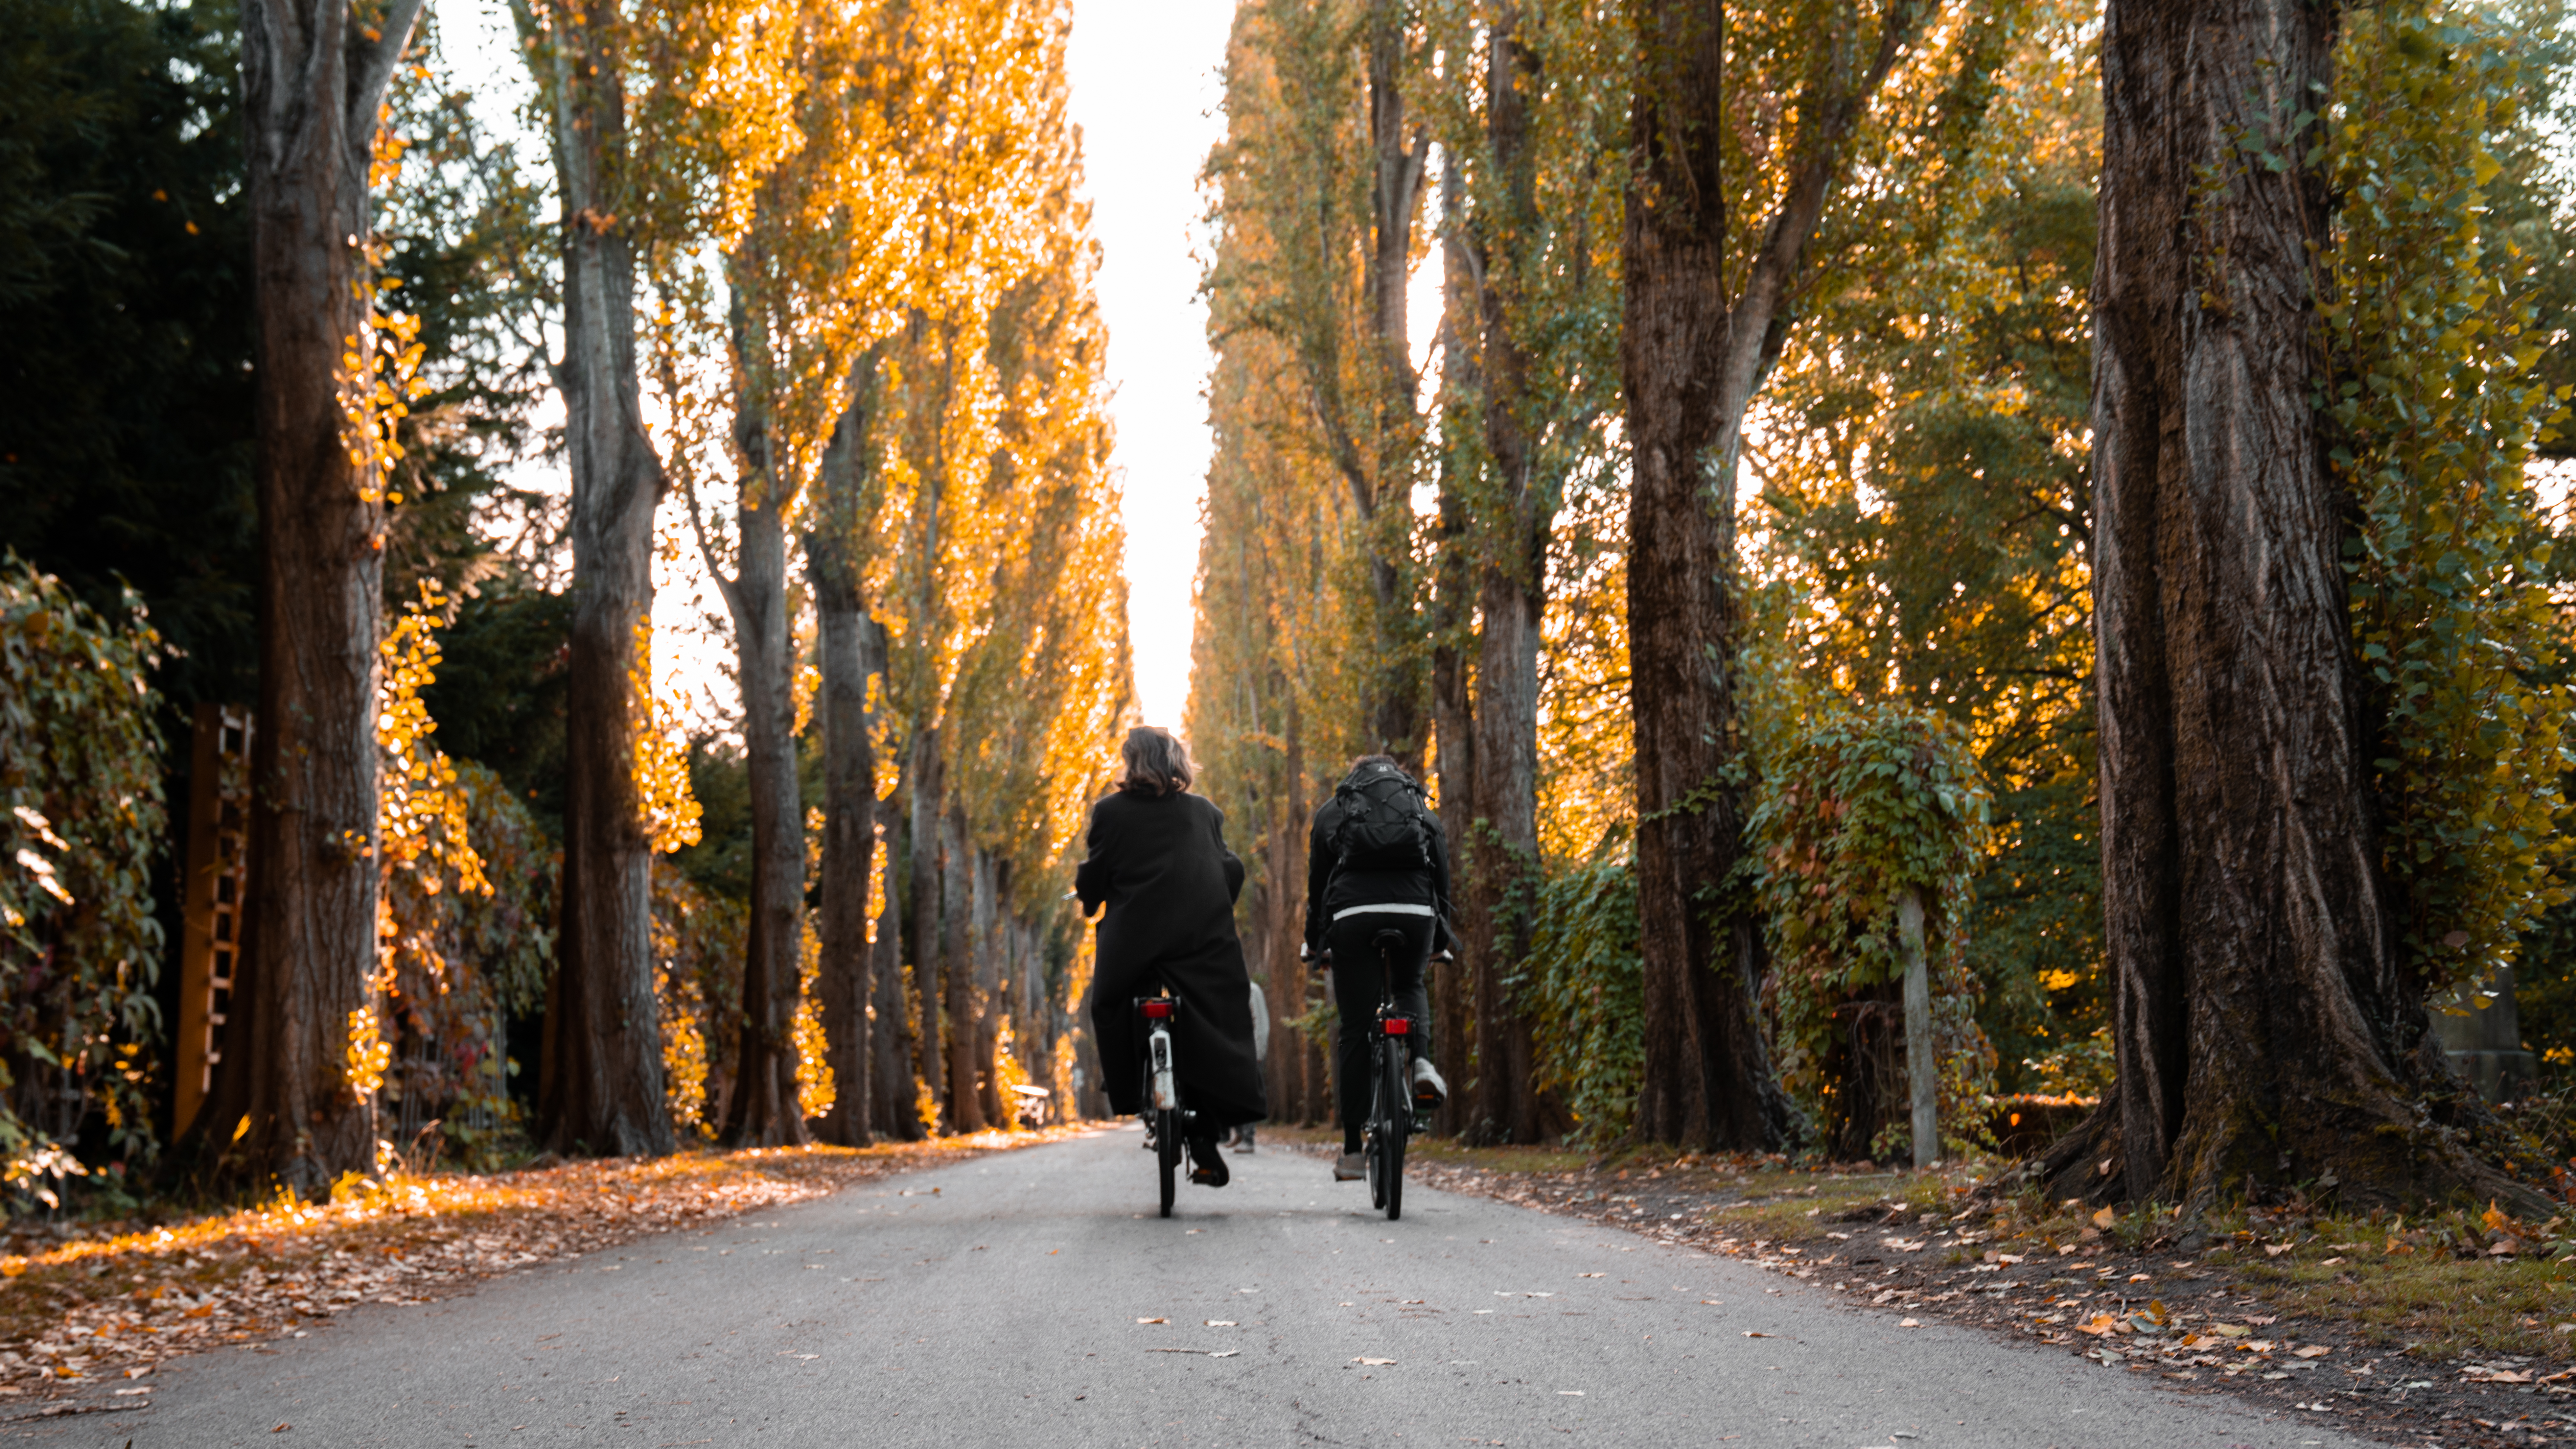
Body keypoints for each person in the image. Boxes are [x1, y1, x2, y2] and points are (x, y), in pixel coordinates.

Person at [1076, 726, 1267, 1187]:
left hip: (1133, 940)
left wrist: (1089, 900)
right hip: (1200, 940)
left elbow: (1097, 873)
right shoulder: (1206, 813)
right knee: (1215, 1016)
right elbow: (1229, 867)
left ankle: (1128, 1088)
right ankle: (1206, 1137)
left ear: (1130, 762)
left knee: (1109, 1004)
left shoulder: (1109, 812)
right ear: (1178, 762)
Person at [1304, 753, 1451, 1183]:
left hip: (1353, 915)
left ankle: (1352, 1150)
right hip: (1416, 910)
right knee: (1410, 982)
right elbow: (1441, 873)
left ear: (1355, 777)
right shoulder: (1420, 806)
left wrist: (1316, 945)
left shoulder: (1334, 810)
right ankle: (1421, 1061)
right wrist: (1440, 938)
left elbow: (1318, 884)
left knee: (1355, 1028)